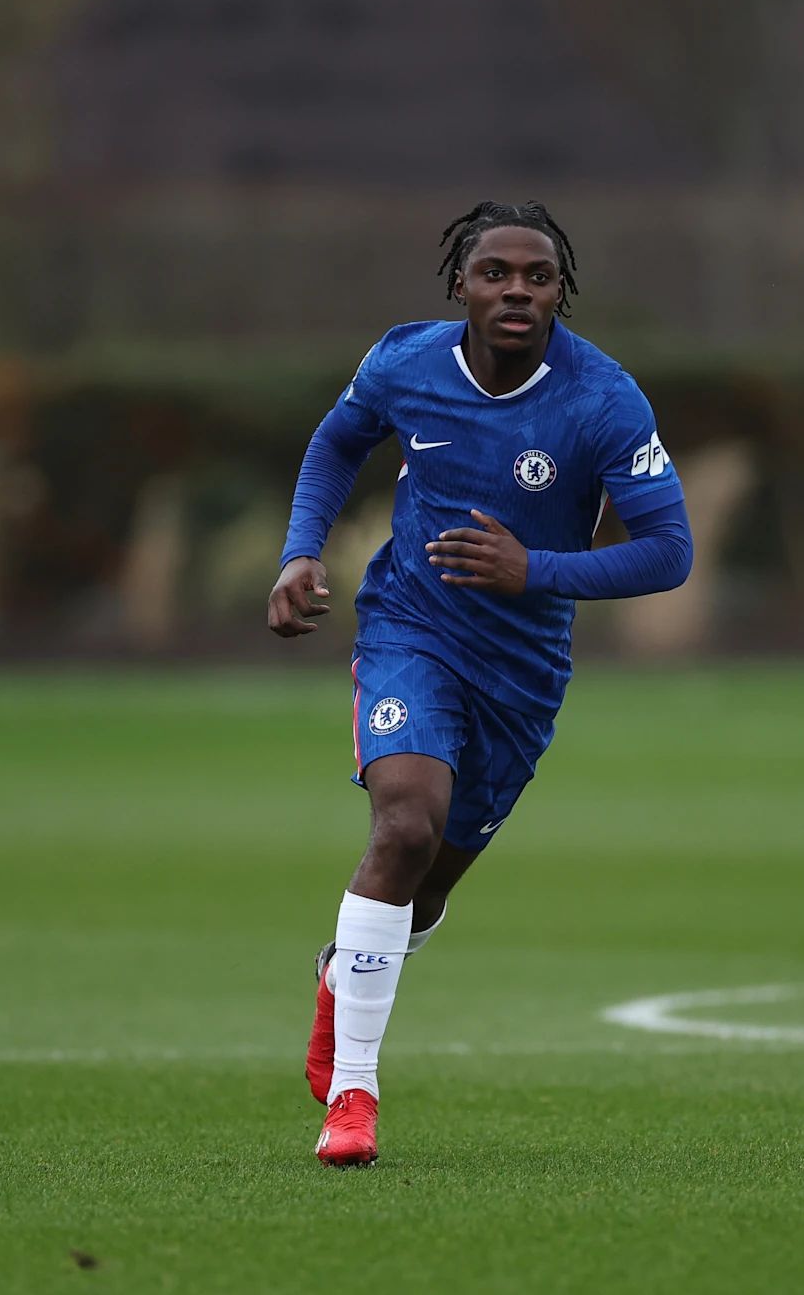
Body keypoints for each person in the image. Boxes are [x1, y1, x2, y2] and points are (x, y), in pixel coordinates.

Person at [267, 200, 693, 1167]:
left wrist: (532, 569)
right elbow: (338, 441)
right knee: (404, 825)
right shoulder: (404, 362)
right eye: (495, 272)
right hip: (409, 631)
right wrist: (300, 552)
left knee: (423, 886)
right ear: (460, 282)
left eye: (537, 277)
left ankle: (346, 971)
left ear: (560, 293)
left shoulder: (603, 400)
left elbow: (670, 552)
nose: (516, 291)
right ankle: (354, 1095)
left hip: (522, 674)